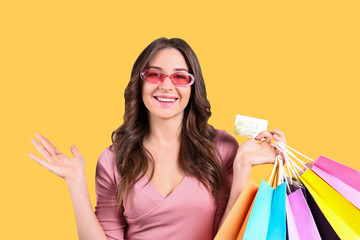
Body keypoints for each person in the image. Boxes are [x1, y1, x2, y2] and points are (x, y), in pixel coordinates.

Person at [28, 37, 286, 240]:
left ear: (192, 87)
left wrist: (243, 168)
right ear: (139, 84)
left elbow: (229, 233)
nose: (166, 85)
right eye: (154, 74)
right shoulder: (113, 159)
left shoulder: (221, 147)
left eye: (180, 76)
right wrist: (75, 182)